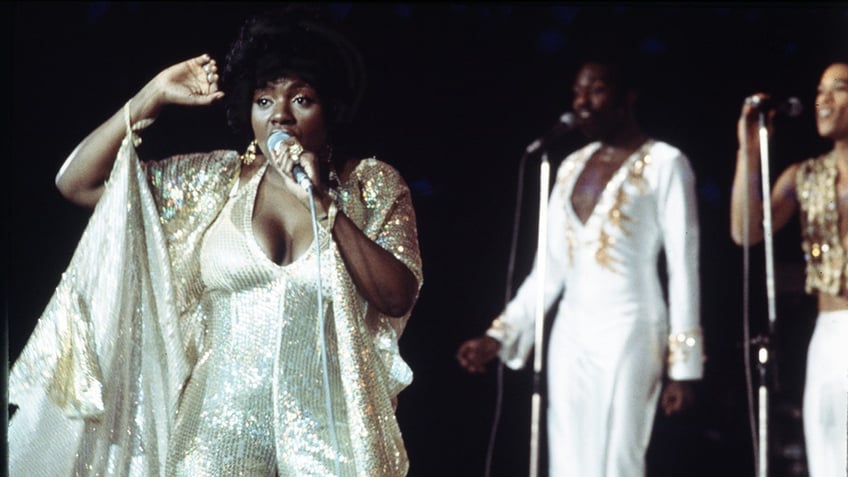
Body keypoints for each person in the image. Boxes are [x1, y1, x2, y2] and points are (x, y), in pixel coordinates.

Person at [8, 6, 422, 476]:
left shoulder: (370, 186)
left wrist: (326, 206)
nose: (279, 116)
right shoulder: (212, 182)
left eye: (301, 99)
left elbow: (396, 295)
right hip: (215, 436)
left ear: (332, 109)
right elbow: (77, 182)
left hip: (330, 438)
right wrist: (152, 96)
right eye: (264, 101)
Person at [456, 59, 704, 476]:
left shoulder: (666, 163)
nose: (583, 102)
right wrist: (499, 335)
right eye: (577, 92)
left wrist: (684, 366)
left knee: (619, 457)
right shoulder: (568, 167)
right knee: (569, 457)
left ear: (628, 97)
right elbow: (548, 271)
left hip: (632, 327)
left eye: (597, 90)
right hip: (571, 334)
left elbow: (684, 265)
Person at [729, 61, 848, 477]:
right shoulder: (804, 176)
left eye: (839, 88)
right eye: (819, 90)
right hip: (830, 335)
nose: (824, 99)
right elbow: (745, 230)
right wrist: (749, 150)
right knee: (829, 460)